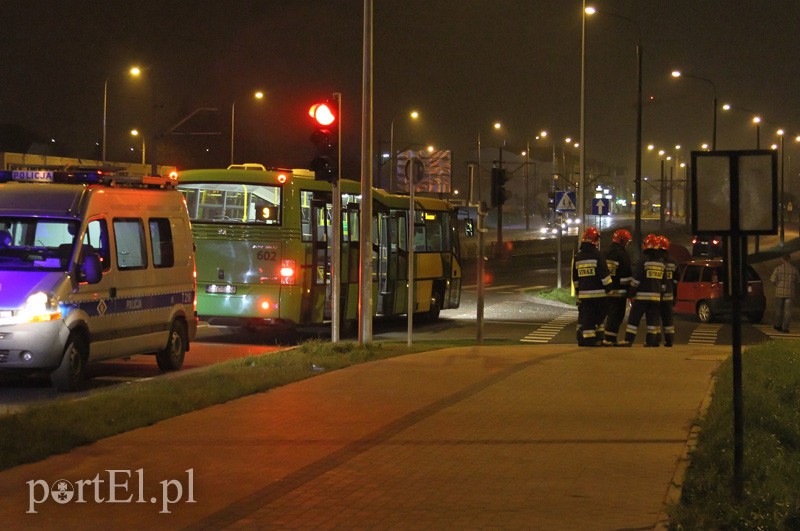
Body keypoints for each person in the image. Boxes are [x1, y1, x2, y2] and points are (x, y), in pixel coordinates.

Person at [622, 233, 665, 347]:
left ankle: (628, 340)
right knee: (652, 321)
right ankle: (651, 342)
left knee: (633, 320)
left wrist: (631, 293)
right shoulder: (661, 262)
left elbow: (637, 279)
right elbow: (663, 283)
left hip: (641, 297)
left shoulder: (643, 260)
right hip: (655, 297)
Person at [572, 226, 612, 346]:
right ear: (595, 240)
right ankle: (592, 339)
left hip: (585, 295)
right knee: (598, 317)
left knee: (587, 316)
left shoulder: (578, 257)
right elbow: (604, 274)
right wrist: (609, 288)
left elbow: (575, 278)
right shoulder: (597, 255)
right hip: (599, 294)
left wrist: (579, 291)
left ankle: (592, 338)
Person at [602, 228, 633, 346]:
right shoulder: (623, 255)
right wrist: (629, 289)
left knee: (609, 315)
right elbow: (626, 274)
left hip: (607, 290)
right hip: (619, 292)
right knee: (617, 315)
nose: (627, 244)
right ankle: (610, 339)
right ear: (622, 241)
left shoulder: (606, 253)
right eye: (627, 242)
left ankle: (608, 338)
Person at [770, 254, 800, 333]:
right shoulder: (794, 269)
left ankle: (777, 325)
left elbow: (772, 280)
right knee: (788, 311)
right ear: (789, 259)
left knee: (779, 310)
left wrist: (777, 285)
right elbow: (798, 281)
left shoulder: (778, 269)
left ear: (782, 259)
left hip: (779, 292)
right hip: (790, 293)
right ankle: (785, 328)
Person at [657, 235, 678, 347]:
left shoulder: (656, 261)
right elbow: (676, 281)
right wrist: (675, 296)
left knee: (655, 318)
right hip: (669, 296)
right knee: (668, 320)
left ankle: (656, 340)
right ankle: (669, 341)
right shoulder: (673, 262)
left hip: (657, 295)